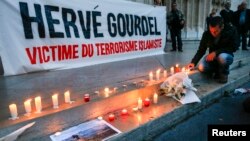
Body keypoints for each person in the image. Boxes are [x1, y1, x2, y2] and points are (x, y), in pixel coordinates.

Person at [187, 16, 239, 83]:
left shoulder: (230, 31)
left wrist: (216, 52)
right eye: (211, 31)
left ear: (222, 27)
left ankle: (224, 73)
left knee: (222, 57)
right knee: (202, 67)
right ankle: (216, 71)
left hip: (226, 55)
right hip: (213, 58)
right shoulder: (207, 34)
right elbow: (201, 50)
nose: (213, 33)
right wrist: (193, 62)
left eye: (216, 31)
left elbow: (234, 47)